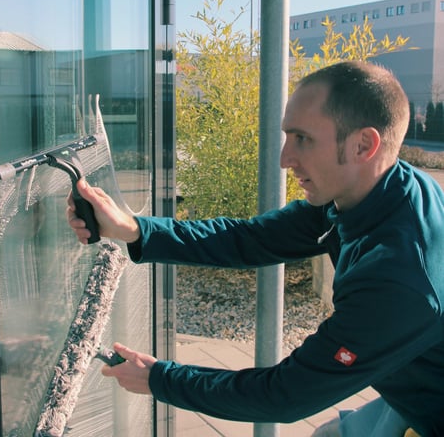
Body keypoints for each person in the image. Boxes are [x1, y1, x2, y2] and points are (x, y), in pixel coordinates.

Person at [67, 61, 444, 437]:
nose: (284, 159)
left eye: (302, 139)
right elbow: (248, 239)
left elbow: (285, 395)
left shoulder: (401, 279)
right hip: (412, 387)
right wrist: (134, 229)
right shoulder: (375, 189)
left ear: (364, 145)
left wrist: (159, 379)